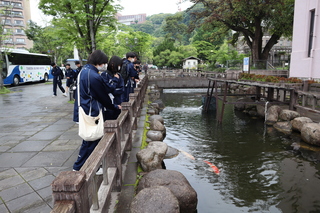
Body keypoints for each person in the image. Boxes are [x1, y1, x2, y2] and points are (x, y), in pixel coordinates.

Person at [73, 50, 119, 173]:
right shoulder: (93, 76)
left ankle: (88, 166)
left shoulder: (85, 71)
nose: (104, 65)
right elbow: (102, 96)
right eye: (103, 63)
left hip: (84, 107)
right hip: (90, 111)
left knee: (91, 140)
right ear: (99, 62)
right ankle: (78, 167)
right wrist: (113, 107)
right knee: (91, 140)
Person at [101, 56, 124, 120]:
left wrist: (113, 90)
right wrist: (115, 80)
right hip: (108, 104)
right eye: (118, 65)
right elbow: (107, 89)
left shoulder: (119, 75)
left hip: (118, 102)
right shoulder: (104, 75)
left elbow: (121, 89)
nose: (119, 67)